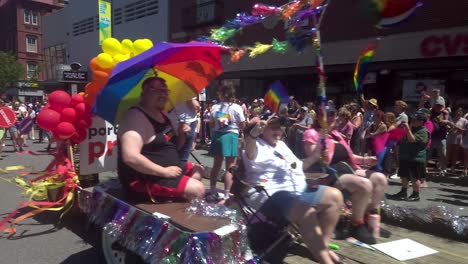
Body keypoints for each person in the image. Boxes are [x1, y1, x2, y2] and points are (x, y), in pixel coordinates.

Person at [243, 117, 343, 264]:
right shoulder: (255, 146)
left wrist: (316, 155)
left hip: (298, 190)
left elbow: (297, 166)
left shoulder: (281, 145)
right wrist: (252, 135)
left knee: (335, 197)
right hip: (270, 196)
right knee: (306, 212)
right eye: (273, 128)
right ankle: (325, 261)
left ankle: (323, 245)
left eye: (280, 128)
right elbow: (250, 148)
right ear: (261, 129)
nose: (279, 132)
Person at [303, 107, 388, 244]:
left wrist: (365, 160)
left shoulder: (337, 134)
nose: (331, 118)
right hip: (328, 174)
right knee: (364, 184)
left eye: (332, 115)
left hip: (348, 169)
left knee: (380, 179)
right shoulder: (311, 133)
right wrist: (323, 137)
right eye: (326, 116)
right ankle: (357, 224)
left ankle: (368, 219)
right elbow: (315, 158)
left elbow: (350, 156)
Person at [118, 77, 205, 201]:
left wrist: (181, 134)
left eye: (164, 89)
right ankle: (177, 200)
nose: (162, 93)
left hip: (169, 167)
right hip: (146, 178)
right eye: (154, 89)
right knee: (198, 189)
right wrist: (163, 172)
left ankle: (179, 199)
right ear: (143, 94)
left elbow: (174, 148)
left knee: (198, 169)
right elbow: (130, 157)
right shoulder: (134, 116)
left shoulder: (163, 114)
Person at [208, 83, 246, 201]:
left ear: (223, 94)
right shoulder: (237, 107)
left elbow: (211, 124)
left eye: (219, 93)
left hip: (218, 136)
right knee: (230, 167)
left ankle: (213, 190)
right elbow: (243, 124)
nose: (218, 95)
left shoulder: (215, 107)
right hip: (231, 136)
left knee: (216, 165)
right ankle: (226, 193)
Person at [389, 111, 429, 201]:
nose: (413, 121)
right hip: (405, 156)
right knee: (404, 176)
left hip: (415, 158)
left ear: (421, 121)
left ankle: (415, 194)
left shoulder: (423, 131)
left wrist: (407, 129)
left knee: (415, 177)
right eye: (413, 119)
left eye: (415, 120)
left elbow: (412, 140)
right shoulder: (412, 129)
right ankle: (403, 192)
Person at [168, 97, 200, 162]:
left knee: (174, 152)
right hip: (184, 123)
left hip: (174, 123)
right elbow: (196, 107)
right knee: (182, 155)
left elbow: (196, 108)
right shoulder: (186, 91)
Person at [430, 97, 450, 175]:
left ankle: (443, 168)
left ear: (443, 106)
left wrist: (446, 114)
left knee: (442, 154)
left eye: (440, 105)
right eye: (437, 105)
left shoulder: (445, 113)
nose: (439, 107)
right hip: (431, 136)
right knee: (428, 153)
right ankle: (423, 169)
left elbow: (445, 122)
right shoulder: (431, 112)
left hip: (441, 137)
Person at [447, 108, 467, 174]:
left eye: (460, 112)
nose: (458, 112)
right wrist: (452, 128)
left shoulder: (464, 121)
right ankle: (444, 166)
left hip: (458, 138)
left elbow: (465, 130)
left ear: (462, 113)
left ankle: (453, 167)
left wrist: (456, 127)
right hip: (450, 137)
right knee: (448, 153)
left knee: (455, 153)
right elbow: (448, 129)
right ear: (455, 112)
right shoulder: (451, 119)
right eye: (457, 111)